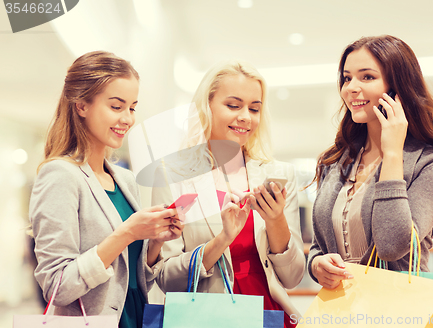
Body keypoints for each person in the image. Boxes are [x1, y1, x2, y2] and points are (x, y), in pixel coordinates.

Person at [307, 35, 433, 289]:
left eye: (367, 77)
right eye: (347, 78)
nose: (351, 87)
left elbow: (391, 245)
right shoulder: (335, 160)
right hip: (341, 308)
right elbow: (319, 245)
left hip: (397, 308)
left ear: (397, 87)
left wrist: (392, 154)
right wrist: (316, 265)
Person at [29, 51, 183, 328]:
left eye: (132, 108)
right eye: (116, 107)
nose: (128, 119)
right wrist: (127, 233)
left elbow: (135, 279)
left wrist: (156, 239)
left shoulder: (125, 180)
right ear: (81, 106)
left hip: (136, 317)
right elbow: (57, 286)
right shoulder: (60, 175)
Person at [152, 60, 305, 327]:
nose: (246, 116)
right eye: (233, 105)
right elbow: (166, 278)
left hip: (268, 314)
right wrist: (222, 239)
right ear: (207, 107)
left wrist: (276, 219)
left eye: (254, 108)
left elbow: (292, 277)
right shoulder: (172, 175)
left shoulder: (279, 175)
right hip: (205, 318)